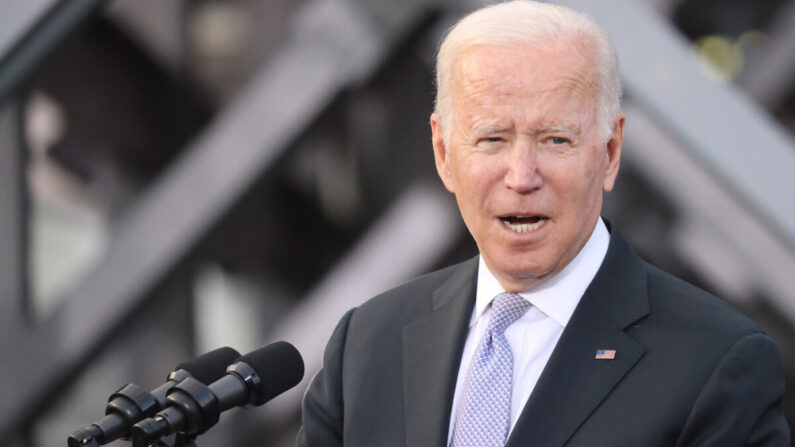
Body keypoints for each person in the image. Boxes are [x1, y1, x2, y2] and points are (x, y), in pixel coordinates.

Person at [297, 1, 790, 446]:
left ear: (610, 153)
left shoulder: (717, 362)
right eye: (491, 139)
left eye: (556, 140)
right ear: (444, 153)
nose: (522, 176)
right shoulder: (366, 345)